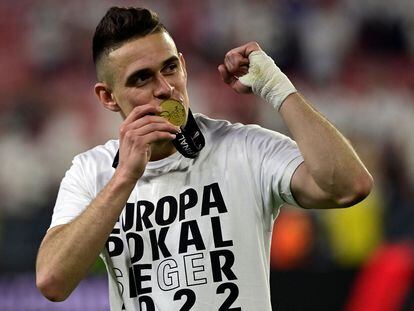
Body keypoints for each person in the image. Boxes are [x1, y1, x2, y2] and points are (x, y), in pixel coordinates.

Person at [36, 6, 373, 311]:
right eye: (142, 78)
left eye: (170, 68)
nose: (165, 89)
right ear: (108, 97)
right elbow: (52, 281)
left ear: (183, 66)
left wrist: (278, 88)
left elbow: (350, 186)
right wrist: (124, 176)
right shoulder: (91, 171)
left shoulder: (243, 148)